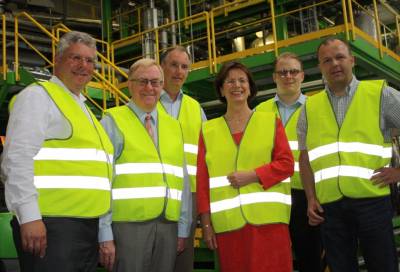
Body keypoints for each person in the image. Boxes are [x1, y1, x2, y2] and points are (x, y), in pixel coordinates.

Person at [1, 31, 114, 272]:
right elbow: (17, 158)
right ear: (58, 58)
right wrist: (30, 216)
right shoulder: (38, 97)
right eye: (76, 58)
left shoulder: (82, 107)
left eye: (90, 60)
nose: (83, 66)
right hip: (51, 226)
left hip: (83, 227)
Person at [298, 37, 400, 272]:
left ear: (352, 60)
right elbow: (305, 158)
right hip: (330, 207)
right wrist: (311, 197)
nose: (334, 64)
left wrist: (398, 172)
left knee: (382, 265)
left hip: (372, 199)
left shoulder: (380, 94)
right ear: (320, 67)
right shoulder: (310, 108)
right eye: (327, 60)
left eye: (340, 57)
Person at [197, 61, 294, 272]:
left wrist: (253, 175)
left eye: (242, 80)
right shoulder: (208, 130)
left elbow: (287, 164)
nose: (236, 85)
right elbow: (202, 182)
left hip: (269, 223)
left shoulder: (270, 121)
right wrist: (206, 225)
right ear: (221, 89)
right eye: (229, 81)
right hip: (228, 226)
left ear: (250, 88)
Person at [99, 58, 192, 272]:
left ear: (162, 85)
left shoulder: (173, 126)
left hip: (168, 226)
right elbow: (102, 181)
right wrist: (104, 233)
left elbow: (183, 181)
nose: (149, 88)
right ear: (129, 84)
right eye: (142, 81)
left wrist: (182, 227)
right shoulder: (113, 121)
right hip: (128, 227)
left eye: (155, 82)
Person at [256, 52, 323, 272]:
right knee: (272, 258)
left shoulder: (317, 108)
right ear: (274, 77)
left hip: (307, 195)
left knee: (310, 257)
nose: (288, 76)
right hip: (270, 194)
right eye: (282, 72)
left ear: (302, 76)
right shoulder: (259, 112)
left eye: (293, 71)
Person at [159, 46, 207, 272]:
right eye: (173, 65)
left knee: (183, 254)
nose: (179, 71)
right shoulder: (146, 101)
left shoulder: (195, 108)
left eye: (184, 67)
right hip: (156, 187)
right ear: (162, 67)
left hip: (190, 192)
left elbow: (207, 153)